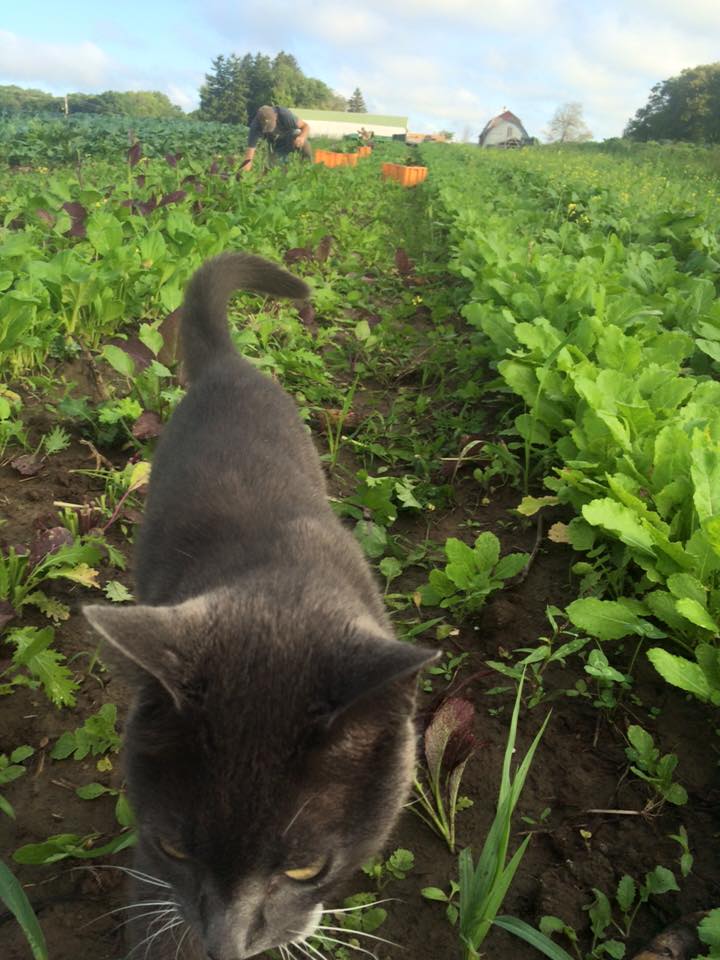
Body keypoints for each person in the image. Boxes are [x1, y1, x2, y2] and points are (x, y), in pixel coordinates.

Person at [242, 105, 312, 171]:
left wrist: (302, 138)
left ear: (276, 116)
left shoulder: (285, 115)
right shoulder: (255, 127)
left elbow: (305, 126)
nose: (271, 130)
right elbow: (249, 157)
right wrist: (244, 176)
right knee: (276, 168)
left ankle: (308, 169)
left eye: (271, 126)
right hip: (274, 144)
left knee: (305, 145)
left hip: (290, 137)